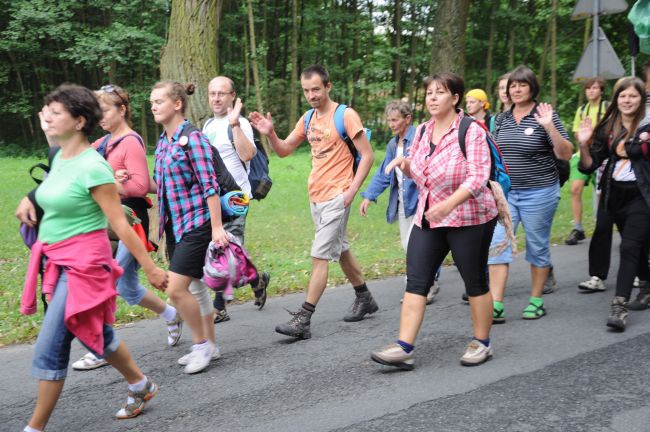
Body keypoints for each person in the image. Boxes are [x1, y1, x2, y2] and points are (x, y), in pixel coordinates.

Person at [17, 84, 169, 431]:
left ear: (80, 120)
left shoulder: (93, 166)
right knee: (93, 333)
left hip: (84, 266)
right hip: (57, 262)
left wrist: (151, 267)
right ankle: (140, 384)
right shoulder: (60, 157)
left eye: (56, 112)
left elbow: (121, 223)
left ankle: (33, 428)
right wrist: (31, 197)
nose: (47, 117)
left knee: (50, 346)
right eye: (46, 111)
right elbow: (52, 178)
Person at [370, 73, 498, 370]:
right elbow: (422, 173)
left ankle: (482, 343)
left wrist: (448, 205)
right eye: (429, 92)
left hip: (470, 218)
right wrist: (406, 165)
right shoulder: (424, 130)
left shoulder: (472, 130)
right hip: (429, 218)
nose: (432, 97)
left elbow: (478, 177)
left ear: (454, 98)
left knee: (475, 281)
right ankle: (404, 347)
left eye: (440, 92)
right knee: (417, 280)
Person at [249, 64, 376, 339]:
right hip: (316, 196)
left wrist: (352, 191)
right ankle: (364, 297)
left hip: (338, 195)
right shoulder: (307, 118)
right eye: (306, 90)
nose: (311, 95)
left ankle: (303, 319)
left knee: (319, 255)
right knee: (339, 248)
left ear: (328, 86)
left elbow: (367, 155)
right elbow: (283, 151)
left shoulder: (346, 115)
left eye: (316, 89)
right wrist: (270, 133)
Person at [64, 84, 182, 371]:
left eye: (104, 110)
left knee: (106, 283)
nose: (99, 117)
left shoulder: (129, 142)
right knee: (127, 287)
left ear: (122, 110)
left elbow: (140, 186)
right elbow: (74, 166)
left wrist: (112, 183)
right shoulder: (103, 143)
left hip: (131, 223)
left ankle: (100, 347)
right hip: (108, 223)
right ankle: (171, 314)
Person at [151, 80, 229, 373]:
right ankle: (211, 343)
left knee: (175, 289)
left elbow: (209, 186)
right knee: (195, 288)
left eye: (159, 101)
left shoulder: (192, 138)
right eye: (152, 102)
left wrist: (217, 228)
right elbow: (160, 185)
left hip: (198, 222)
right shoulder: (164, 141)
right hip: (175, 226)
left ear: (177, 104)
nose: (154, 106)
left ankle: (201, 346)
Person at [487, 65, 573, 323]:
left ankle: (536, 301)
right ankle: (496, 304)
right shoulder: (501, 119)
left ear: (532, 87)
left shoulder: (545, 114)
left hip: (540, 193)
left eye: (521, 84)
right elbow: (493, 153)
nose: (516, 89)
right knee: (497, 244)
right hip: (507, 195)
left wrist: (549, 127)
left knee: (536, 246)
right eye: (512, 85)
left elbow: (565, 153)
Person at [577, 77, 649, 330]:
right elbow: (588, 165)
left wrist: (628, 147)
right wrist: (583, 145)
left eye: (633, 96)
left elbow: (640, 151)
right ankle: (647, 284)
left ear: (641, 100)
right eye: (622, 96)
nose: (627, 101)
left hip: (642, 194)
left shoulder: (647, 124)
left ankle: (619, 306)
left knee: (629, 246)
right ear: (616, 99)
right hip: (613, 193)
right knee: (636, 246)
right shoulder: (608, 127)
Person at [203, 76, 270, 324]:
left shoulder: (240, 123)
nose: (216, 98)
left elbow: (248, 153)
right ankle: (257, 280)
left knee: (226, 249)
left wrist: (234, 125)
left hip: (238, 197)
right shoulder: (208, 125)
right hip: (214, 196)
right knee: (230, 249)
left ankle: (219, 308)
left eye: (222, 93)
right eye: (212, 93)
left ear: (233, 96)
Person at [360, 100, 440, 305]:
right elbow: (383, 174)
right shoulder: (392, 144)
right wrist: (369, 196)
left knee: (417, 246)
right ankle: (425, 282)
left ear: (408, 119)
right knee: (408, 246)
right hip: (403, 202)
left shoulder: (422, 138)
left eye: (395, 119)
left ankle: (422, 286)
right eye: (389, 120)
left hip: (423, 201)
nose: (391, 124)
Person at [566, 77, 608, 245]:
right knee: (575, 189)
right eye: (588, 88)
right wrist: (585, 136)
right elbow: (577, 132)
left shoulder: (607, 107)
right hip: (583, 153)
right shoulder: (582, 110)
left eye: (595, 88)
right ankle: (578, 227)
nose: (591, 91)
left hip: (602, 154)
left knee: (602, 193)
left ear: (601, 91)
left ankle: (602, 226)